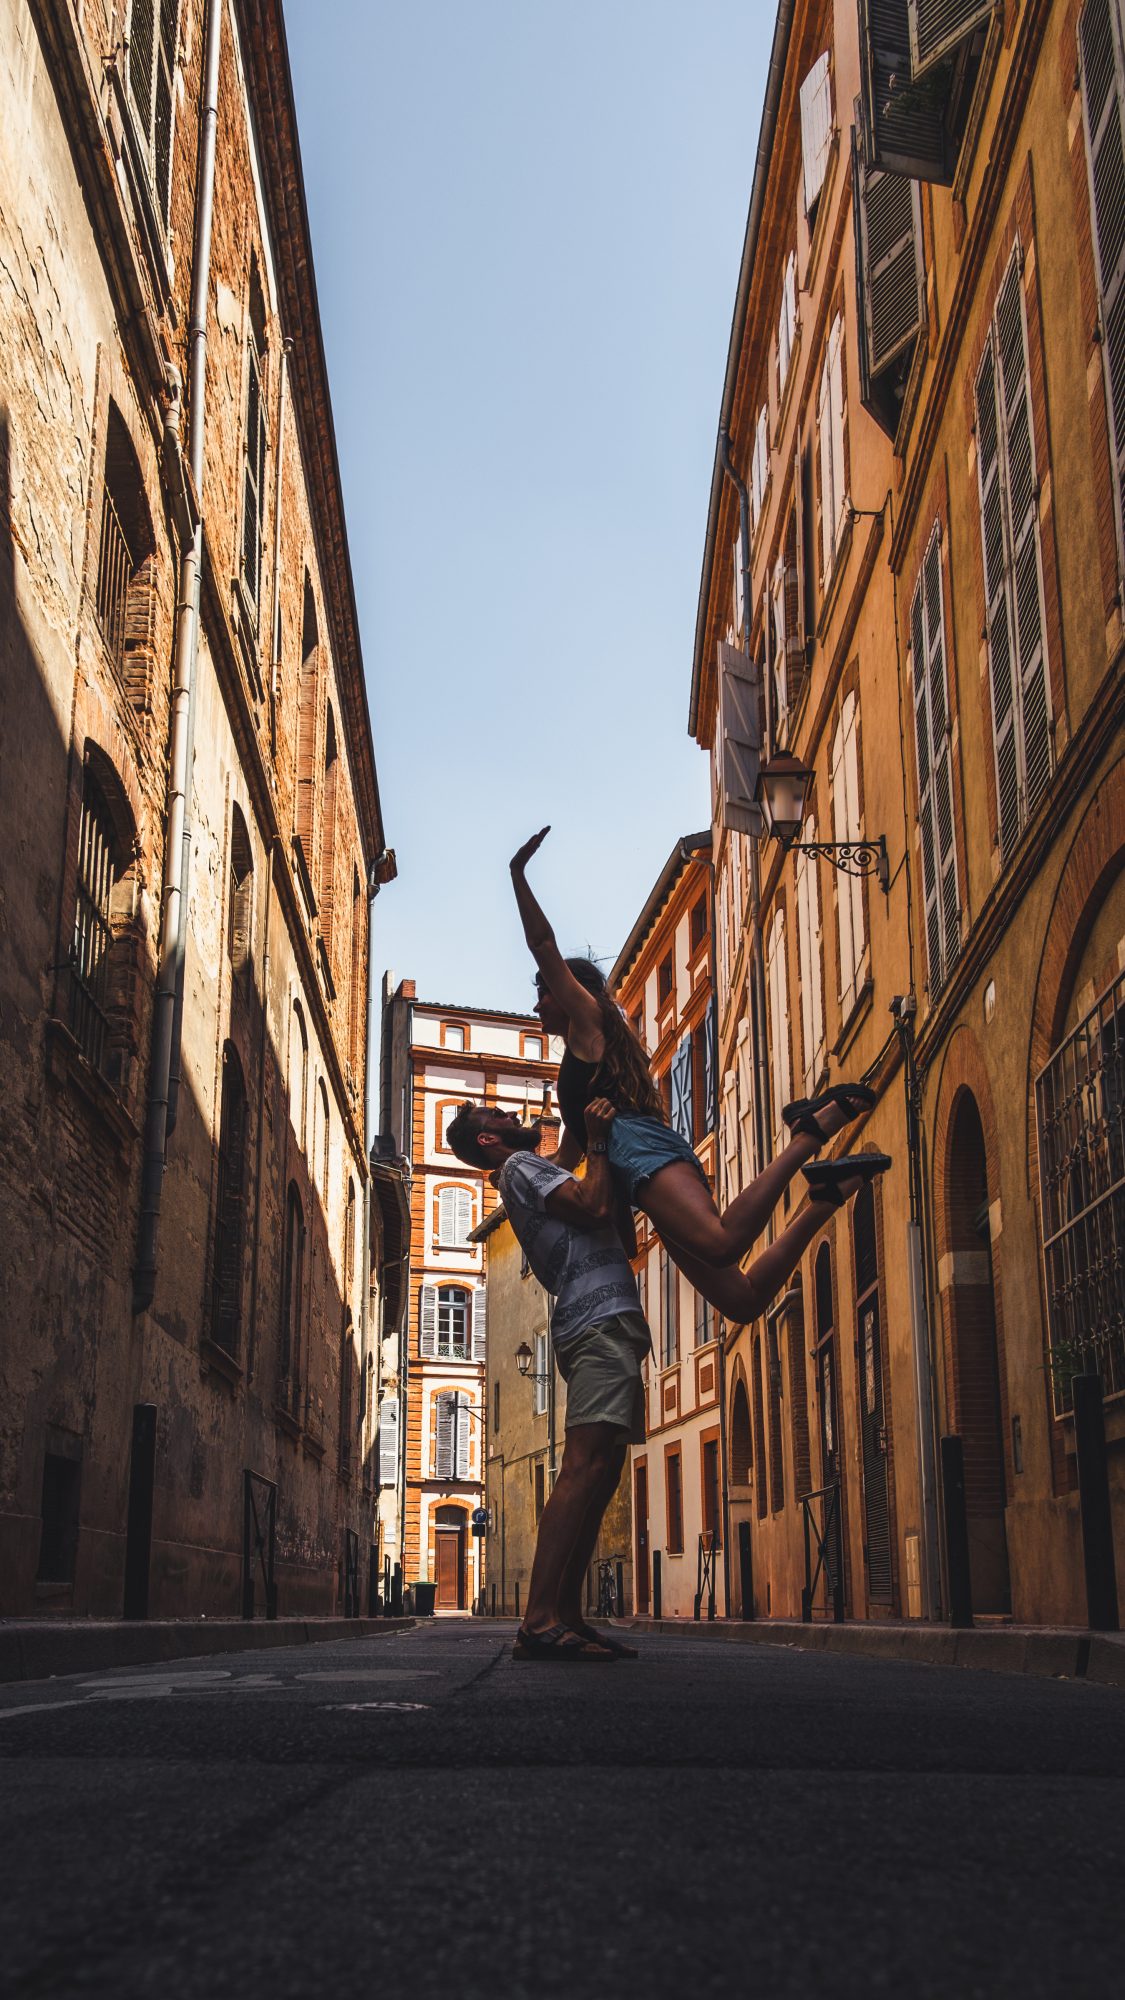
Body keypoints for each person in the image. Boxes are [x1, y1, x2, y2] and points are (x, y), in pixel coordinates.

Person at [508, 826, 889, 1324]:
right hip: (632, 1175)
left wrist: (517, 875)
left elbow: (542, 943)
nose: (538, 1002)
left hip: (641, 1152)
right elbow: (569, 1156)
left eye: (545, 990)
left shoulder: (589, 1026)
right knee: (743, 1302)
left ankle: (807, 1135)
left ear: (571, 991)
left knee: (723, 1241)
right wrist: (514, 1174)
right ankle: (825, 1196)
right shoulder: (573, 1071)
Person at [445, 1095, 643, 1662]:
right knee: (584, 1467)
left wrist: (602, 1153)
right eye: (502, 1117)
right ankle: (539, 1619)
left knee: (603, 1471)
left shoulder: (533, 1168)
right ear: (489, 1140)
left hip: (609, 1314)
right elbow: (589, 1201)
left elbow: (621, 1235)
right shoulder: (519, 1166)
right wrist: (601, 1143)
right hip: (596, 1319)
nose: (517, 1117)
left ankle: (570, 1614)